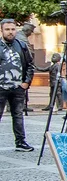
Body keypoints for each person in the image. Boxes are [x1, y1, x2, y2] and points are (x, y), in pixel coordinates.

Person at [0, 19, 35, 151]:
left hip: (18, 88)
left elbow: (30, 65)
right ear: (1, 30)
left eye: (12, 29)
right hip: (1, 87)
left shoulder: (22, 45)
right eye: (7, 29)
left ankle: (20, 142)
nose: (10, 32)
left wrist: (26, 82)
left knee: (18, 115)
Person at [14, 21, 35, 110]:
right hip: (21, 66)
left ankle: (21, 104)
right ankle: (20, 105)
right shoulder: (21, 38)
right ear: (27, 30)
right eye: (31, 31)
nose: (31, 33)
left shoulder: (20, 36)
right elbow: (29, 52)